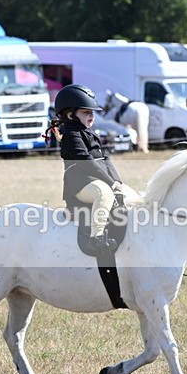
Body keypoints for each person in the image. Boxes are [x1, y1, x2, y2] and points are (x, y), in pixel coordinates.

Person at [53, 84, 140, 254]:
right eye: (86, 112)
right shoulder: (71, 134)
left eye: (92, 113)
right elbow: (85, 160)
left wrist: (117, 181)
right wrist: (109, 182)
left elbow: (105, 159)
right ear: (71, 115)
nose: (92, 116)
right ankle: (96, 237)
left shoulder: (89, 132)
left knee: (130, 195)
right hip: (80, 184)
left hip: (96, 179)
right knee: (104, 194)